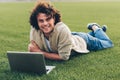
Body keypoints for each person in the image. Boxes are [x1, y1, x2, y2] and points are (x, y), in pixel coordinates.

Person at [28, 0, 114, 61]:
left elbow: (63, 57)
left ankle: (96, 28)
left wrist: (39, 52)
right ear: (36, 22)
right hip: (69, 37)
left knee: (108, 43)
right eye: (41, 20)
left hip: (83, 41)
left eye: (48, 19)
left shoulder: (62, 30)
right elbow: (33, 48)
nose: (45, 23)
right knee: (89, 36)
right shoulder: (35, 30)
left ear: (54, 18)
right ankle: (97, 32)